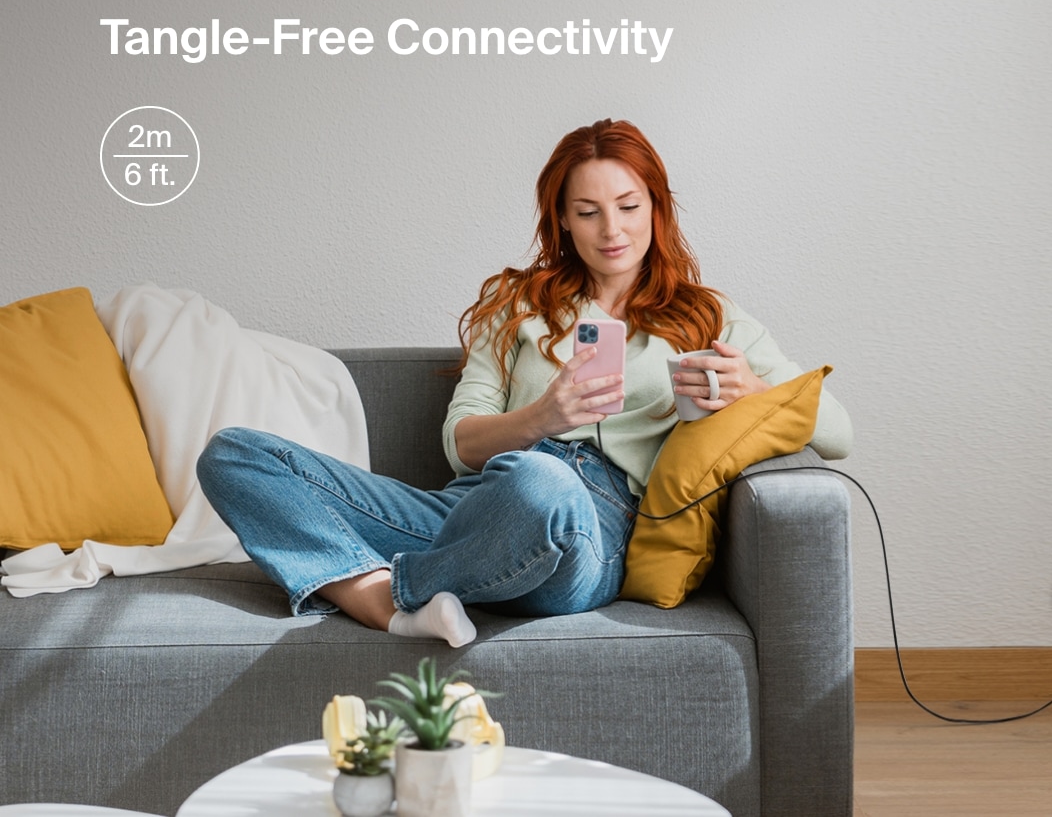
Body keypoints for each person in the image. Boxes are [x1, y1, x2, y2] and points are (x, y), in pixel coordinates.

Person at [196, 118, 852, 647]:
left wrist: (749, 395)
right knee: (234, 453)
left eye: (628, 205)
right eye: (588, 211)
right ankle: (392, 598)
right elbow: (461, 443)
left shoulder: (711, 316)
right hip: (476, 509)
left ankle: (383, 593)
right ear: (562, 219)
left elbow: (839, 431)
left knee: (546, 485)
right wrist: (540, 418)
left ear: (657, 206)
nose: (613, 229)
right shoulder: (519, 308)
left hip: (590, 533)